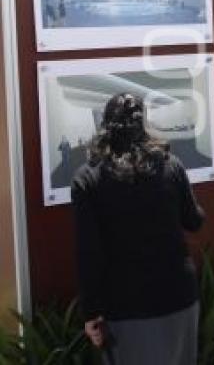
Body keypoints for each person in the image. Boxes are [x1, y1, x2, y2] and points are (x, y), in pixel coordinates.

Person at [71, 93, 205, 365]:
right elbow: (194, 221)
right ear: (142, 124)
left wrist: (90, 313)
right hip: (177, 297)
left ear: (104, 126)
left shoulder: (87, 178)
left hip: (125, 306)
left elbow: (89, 253)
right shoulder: (170, 165)